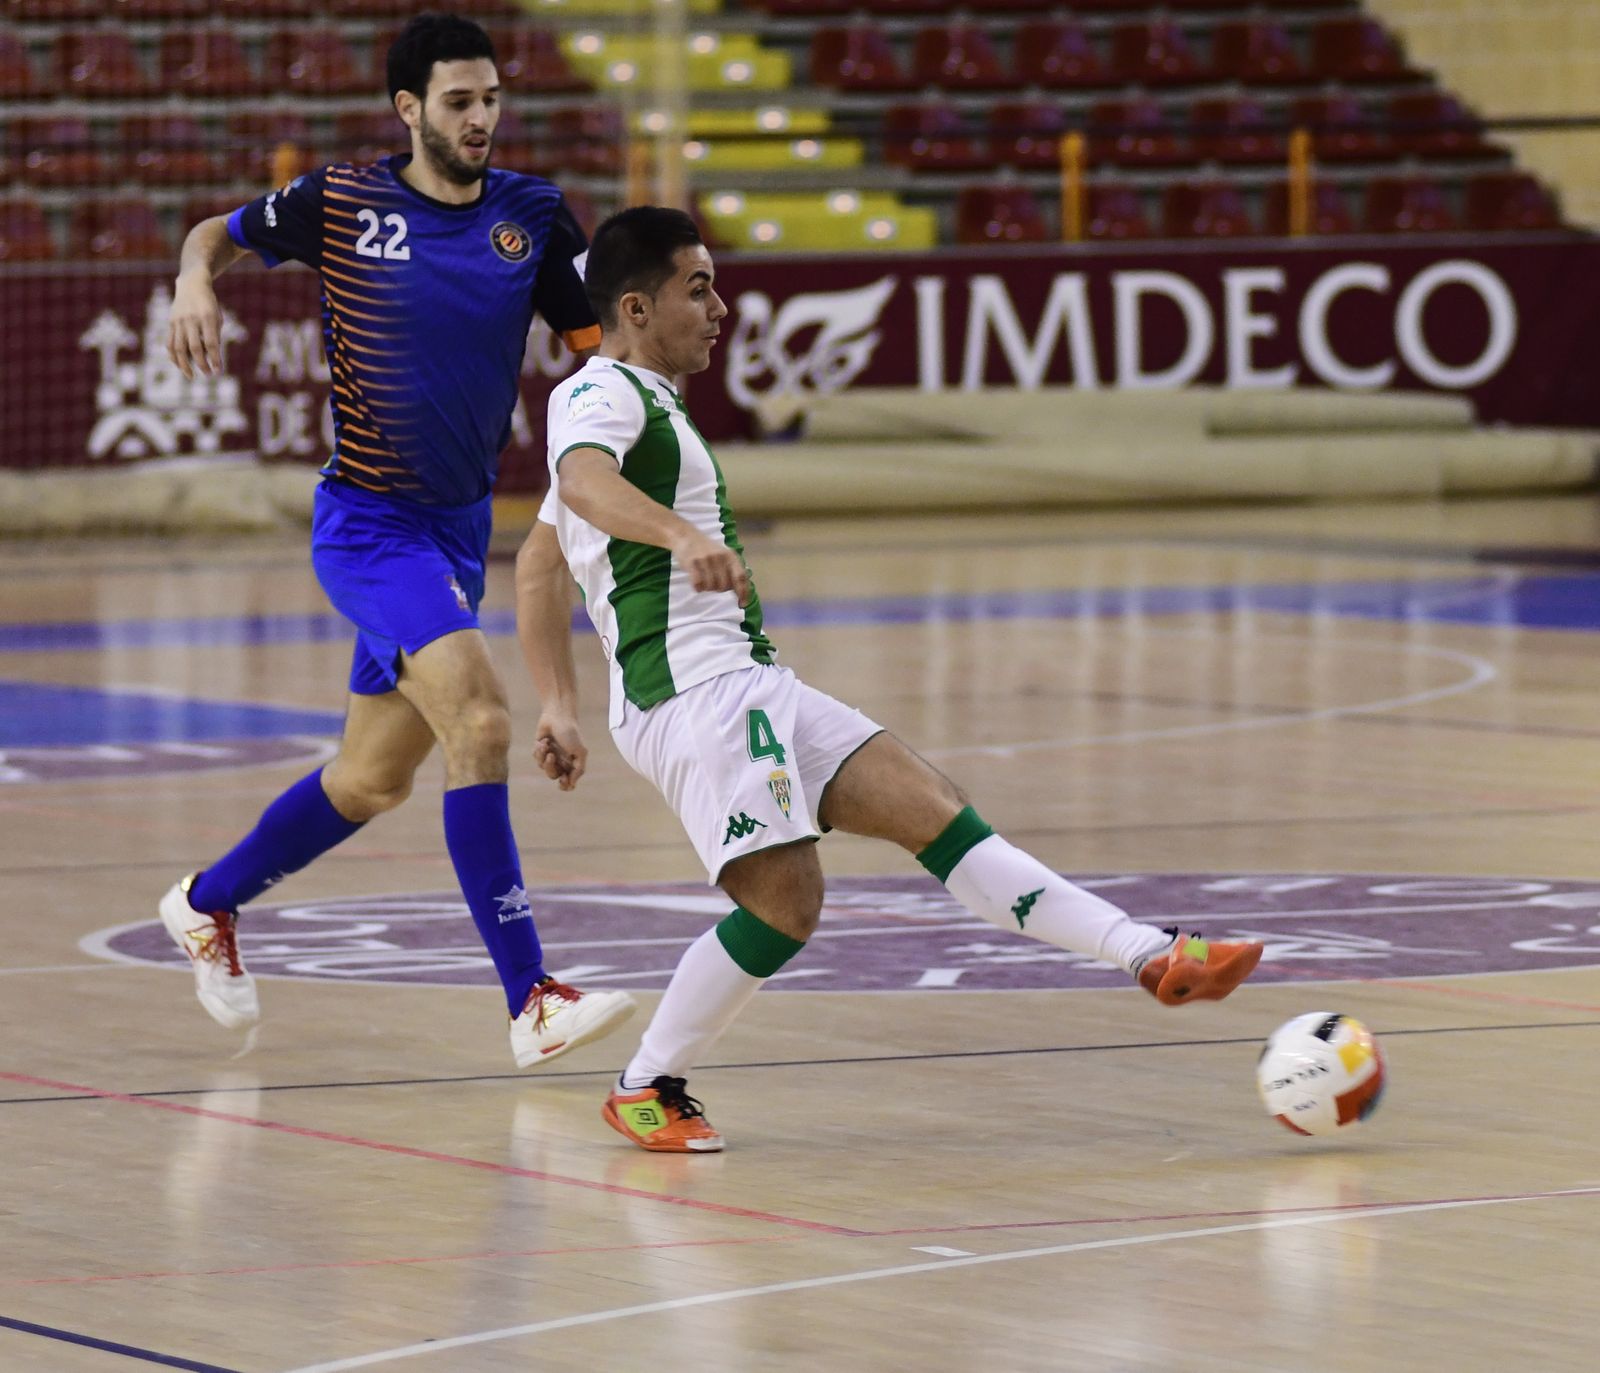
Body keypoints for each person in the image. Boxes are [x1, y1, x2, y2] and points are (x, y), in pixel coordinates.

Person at [515, 206, 1266, 1152]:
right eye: (697, 287)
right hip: (693, 694)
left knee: (936, 807)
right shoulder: (602, 396)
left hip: (746, 679)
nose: (721, 307)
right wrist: (679, 536)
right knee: (786, 904)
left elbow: (540, 561)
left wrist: (556, 702)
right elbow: (582, 486)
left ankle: (1151, 954)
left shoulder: (645, 404)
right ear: (634, 306)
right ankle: (645, 1084)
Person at [160, 13, 634, 1066]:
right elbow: (213, 235)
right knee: (480, 716)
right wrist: (196, 280)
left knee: (372, 780)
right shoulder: (341, 200)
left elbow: (602, 352)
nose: (481, 119)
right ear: (409, 109)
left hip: (460, 529)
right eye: (459, 102)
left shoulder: (532, 214)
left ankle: (206, 901)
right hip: (371, 524)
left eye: (492, 99)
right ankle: (532, 996)